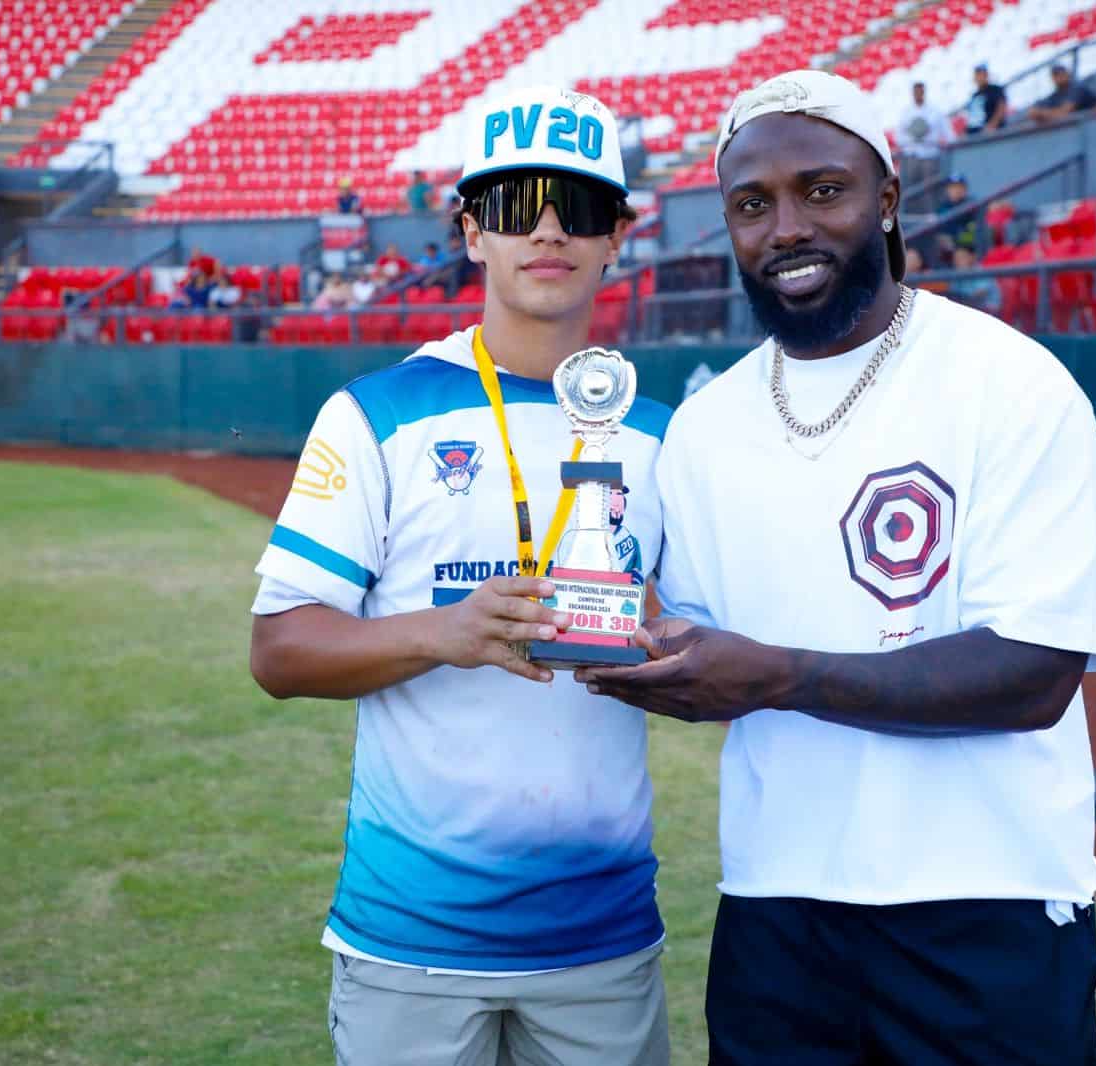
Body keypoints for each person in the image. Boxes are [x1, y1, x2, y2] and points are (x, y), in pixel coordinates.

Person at [578, 69, 1096, 1066]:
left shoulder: (1009, 383)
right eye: (752, 204)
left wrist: (781, 674)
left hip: (985, 904)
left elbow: (1036, 671)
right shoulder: (704, 428)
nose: (784, 226)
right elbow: (715, 663)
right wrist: (623, 654)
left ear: (885, 200)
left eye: (819, 189)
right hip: (776, 907)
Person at [248, 84, 671, 1066]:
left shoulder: (658, 433)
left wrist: (657, 642)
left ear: (618, 238)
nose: (551, 230)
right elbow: (277, 649)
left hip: (601, 937)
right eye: (520, 205)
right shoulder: (375, 414)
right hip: (411, 938)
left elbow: (706, 646)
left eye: (582, 208)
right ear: (472, 232)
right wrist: (442, 632)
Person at [895, 82, 950, 210]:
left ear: (924, 92)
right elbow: (899, 136)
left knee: (930, 189)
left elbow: (947, 133)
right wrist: (913, 139)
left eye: (920, 91)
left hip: (930, 156)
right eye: (916, 91)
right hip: (911, 156)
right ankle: (912, 219)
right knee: (910, 189)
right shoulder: (906, 112)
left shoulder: (935, 111)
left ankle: (931, 217)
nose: (918, 94)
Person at [1024, 64, 1096, 125]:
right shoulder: (1056, 95)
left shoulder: (1078, 88)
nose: (1059, 77)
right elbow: (1032, 112)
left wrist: (1041, 113)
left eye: (1061, 74)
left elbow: (1063, 114)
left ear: (1067, 74)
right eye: (1055, 75)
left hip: (1095, 124)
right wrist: (1039, 113)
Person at [946, 241, 1002, 315]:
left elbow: (977, 296)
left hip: (988, 313)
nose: (958, 261)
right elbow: (953, 295)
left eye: (962, 257)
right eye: (955, 258)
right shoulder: (956, 275)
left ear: (973, 257)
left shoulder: (982, 272)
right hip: (967, 310)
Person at [963, 64, 1007, 136]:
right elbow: (971, 116)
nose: (979, 78)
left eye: (981, 74)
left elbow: (1001, 108)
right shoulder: (974, 95)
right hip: (974, 132)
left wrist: (992, 125)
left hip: (991, 133)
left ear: (986, 75)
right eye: (977, 75)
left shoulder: (995, 89)